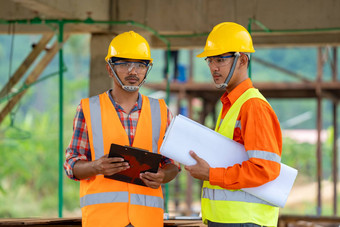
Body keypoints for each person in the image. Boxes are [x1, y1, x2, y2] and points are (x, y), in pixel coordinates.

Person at [64, 31, 180, 227]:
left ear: (147, 69)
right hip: (102, 220)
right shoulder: (88, 109)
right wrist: (96, 167)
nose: (133, 71)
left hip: (147, 221)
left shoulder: (161, 111)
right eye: (124, 64)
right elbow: (71, 165)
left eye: (140, 65)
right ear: (110, 69)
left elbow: (173, 164)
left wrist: (162, 176)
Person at [185, 22, 282, 227]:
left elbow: (264, 170)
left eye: (220, 59)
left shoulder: (253, 106)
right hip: (229, 220)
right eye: (210, 60)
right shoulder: (232, 104)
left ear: (243, 60)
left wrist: (211, 174)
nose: (213, 67)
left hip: (245, 221)